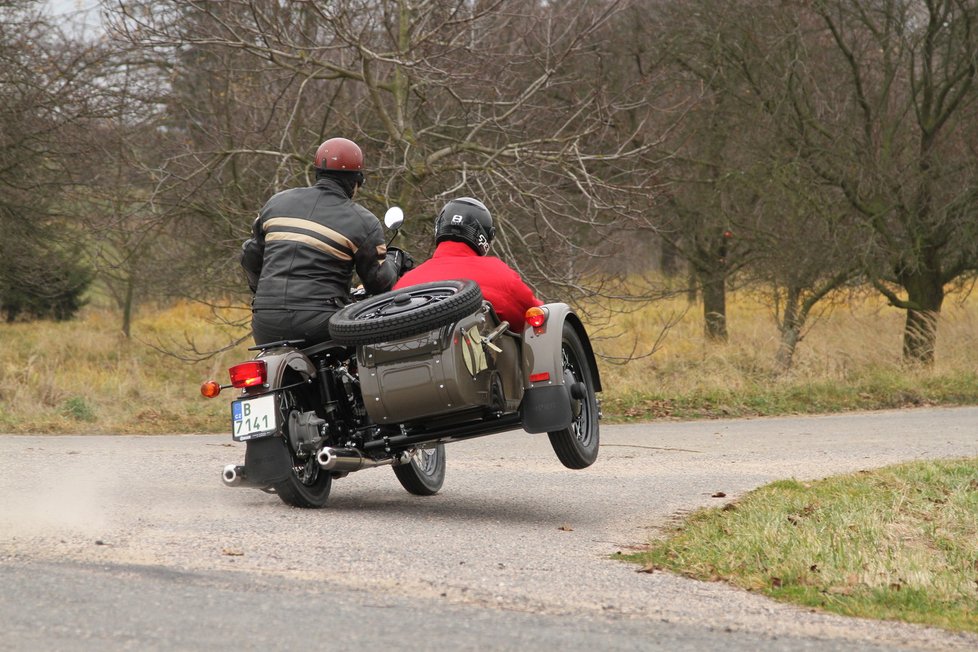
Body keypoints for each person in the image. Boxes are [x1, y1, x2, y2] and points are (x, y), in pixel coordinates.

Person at [240, 137, 411, 346]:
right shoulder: (363, 221)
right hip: (319, 325)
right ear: (357, 180)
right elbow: (379, 284)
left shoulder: (276, 202)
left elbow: (249, 256)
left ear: (317, 173)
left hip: (264, 323)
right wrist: (395, 259)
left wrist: (265, 294)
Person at [393, 196, 542, 330]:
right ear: (485, 237)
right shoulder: (499, 275)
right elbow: (534, 316)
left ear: (438, 228)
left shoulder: (403, 285)